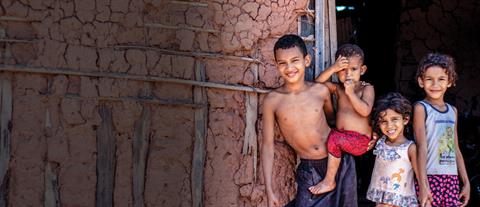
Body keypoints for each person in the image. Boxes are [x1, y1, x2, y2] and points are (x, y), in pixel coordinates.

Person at [261, 34, 357, 207]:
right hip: (309, 168)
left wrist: (362, 137)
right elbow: (267, 145)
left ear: (306, 60)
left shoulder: (320, 91)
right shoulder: (272, 100)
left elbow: (335, 122)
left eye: (294, 60)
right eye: (282, 63)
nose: (289, 67)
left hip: (339, 162)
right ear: (276, 65)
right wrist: (269, 190)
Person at [309, 44, 375, 195]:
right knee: (333, 136)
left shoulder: (367, 88)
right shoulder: (338, 88)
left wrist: (351, 93)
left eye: (353, 69)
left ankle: (329, 181)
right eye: (342, 70)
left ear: (362, 70)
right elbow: (315, 86)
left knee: (334, 138)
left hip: (360, 141)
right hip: (342, 137)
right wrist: (332, 68)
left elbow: (365, 111)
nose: (348, 74)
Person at [413, 53, 470, 207]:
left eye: (441, 79)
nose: (435, 84)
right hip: (430, 177)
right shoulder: (421, 108)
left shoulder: (453, 111)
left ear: (449, 82)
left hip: (451, 179)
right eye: (429, 79)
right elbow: (421, 147)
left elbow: (456, 148)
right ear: (421, 81)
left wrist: (466, 182)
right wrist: (423, 185)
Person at [367, 92, 419, 207]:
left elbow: (419, 175)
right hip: (381, 200)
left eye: (394, 119)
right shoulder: (380, 142)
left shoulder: (409, 148)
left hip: (401, 201)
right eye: (384, 121)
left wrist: (425, 194)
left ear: (405, 119)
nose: (389, 126)